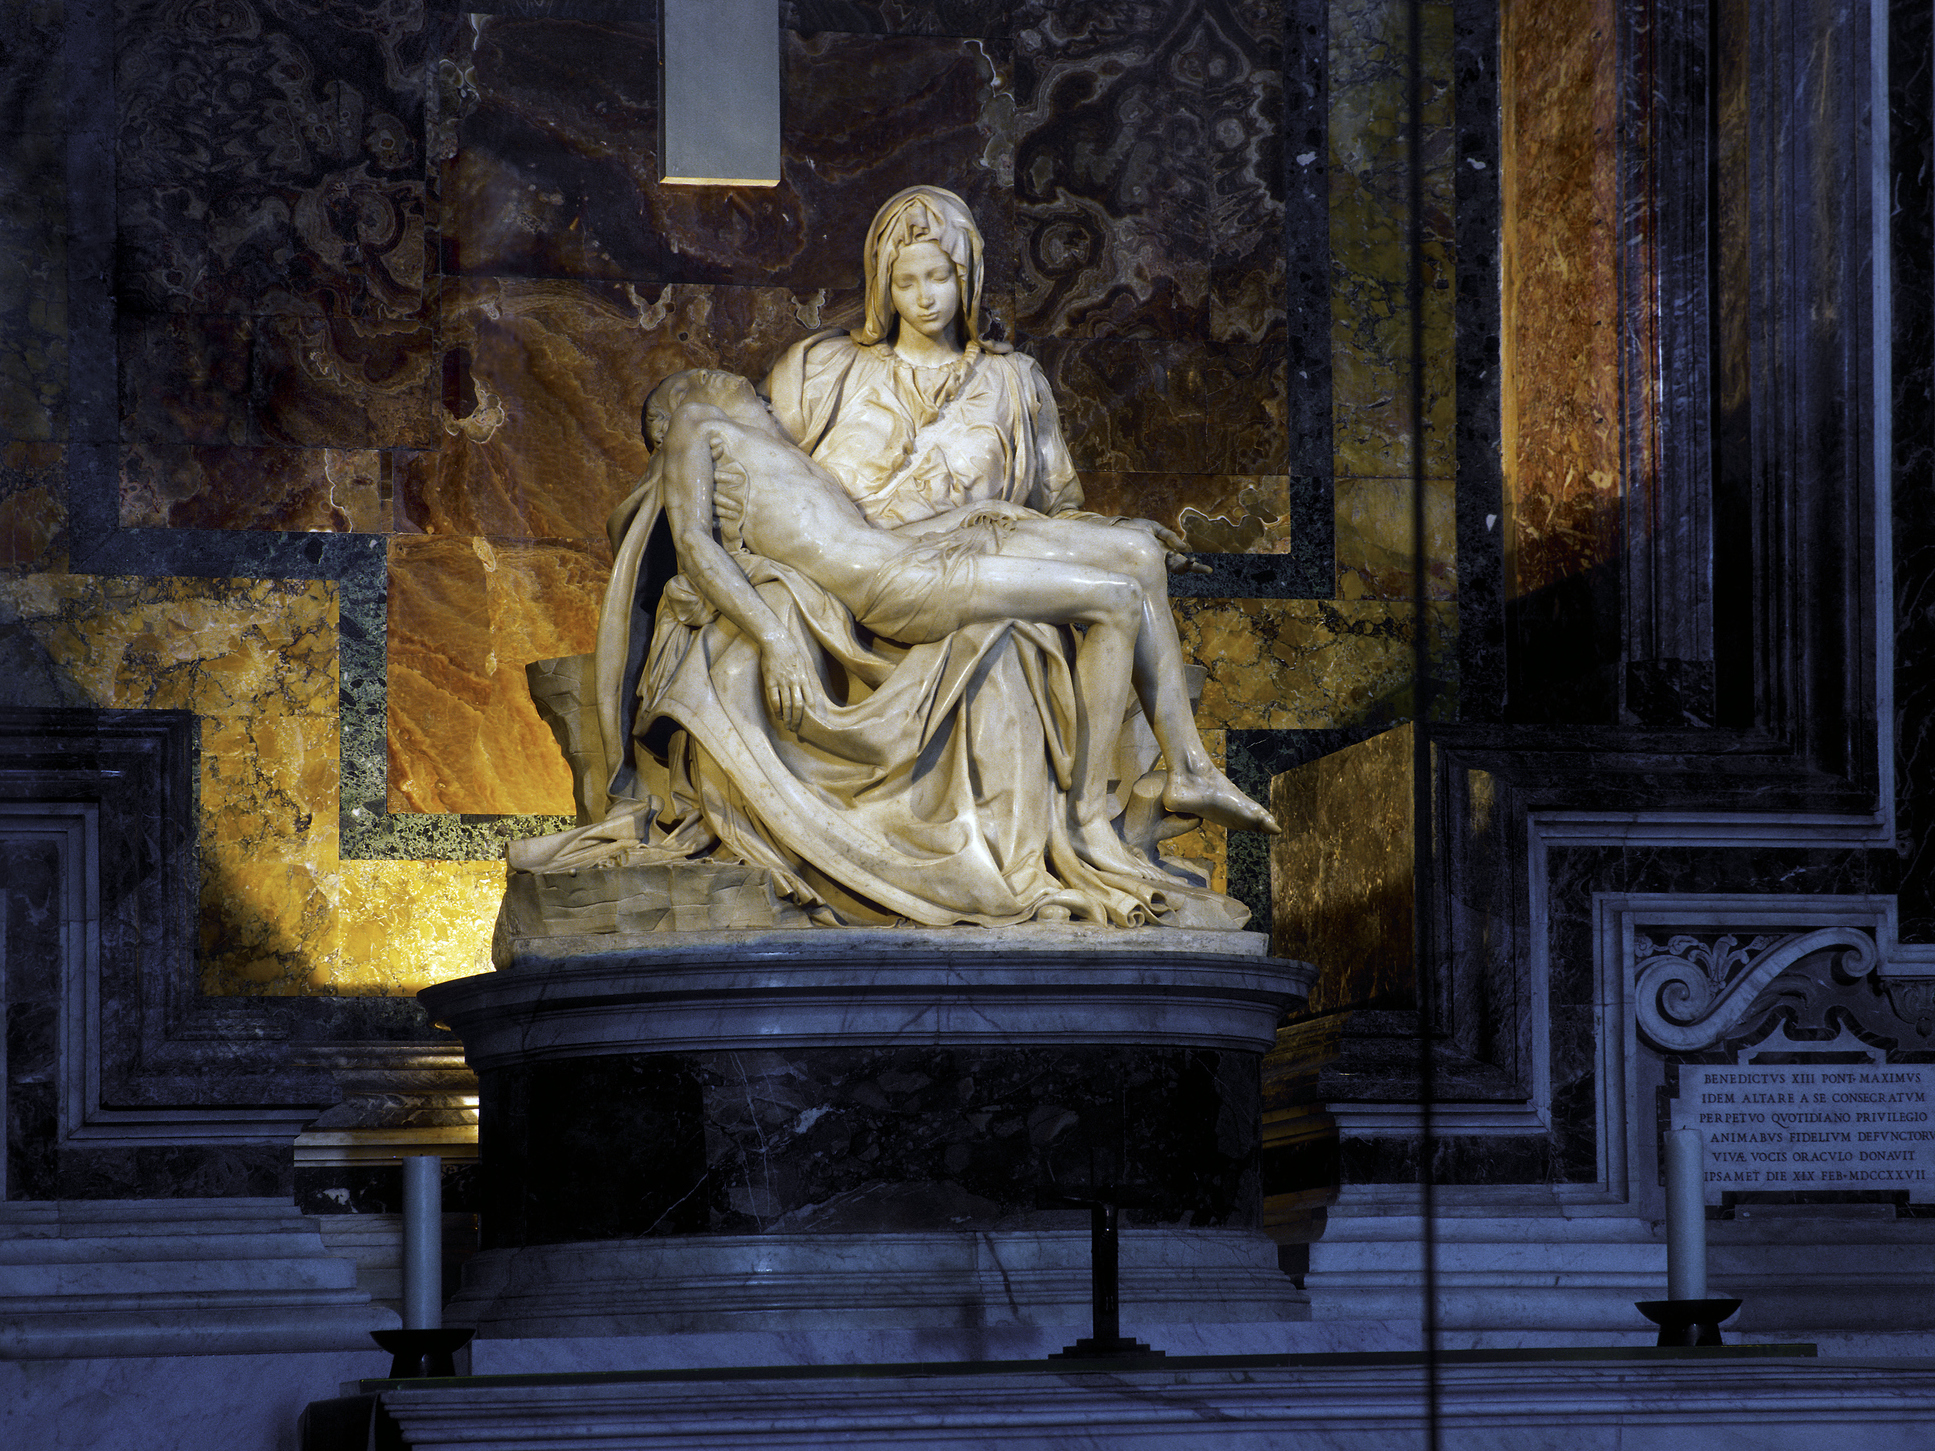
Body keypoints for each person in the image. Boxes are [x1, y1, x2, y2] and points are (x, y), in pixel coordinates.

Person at [641, 366, 1275, 843]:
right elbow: (695, 544)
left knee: (1137, 554)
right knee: (1117, 602)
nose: (720, 377)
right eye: (695, 379)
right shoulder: (697, 427)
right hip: (898, 588)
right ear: (669, 424)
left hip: (911, 557)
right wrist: (774, 638)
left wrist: (982, 513)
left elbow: (865, 539)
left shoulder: (779, 457)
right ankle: (1086, 821)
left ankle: (1190, 768)